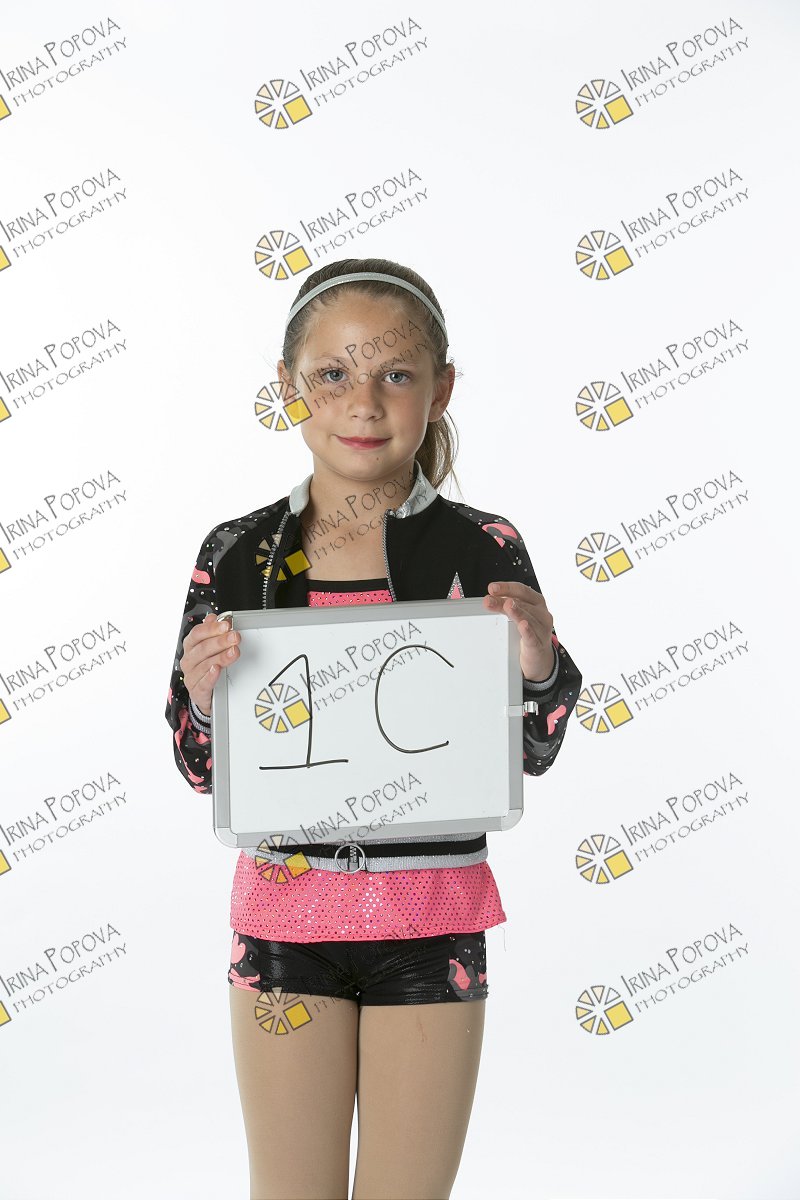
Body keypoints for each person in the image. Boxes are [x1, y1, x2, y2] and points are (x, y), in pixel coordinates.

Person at [164, 256, 583, 1200]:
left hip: (432, 921)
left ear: (441, 389)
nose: (363, 402)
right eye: (332, 374)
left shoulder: (482, 547)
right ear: (289, 388)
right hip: (284, 923)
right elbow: (199, 767)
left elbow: (534, 748)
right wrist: (202, 697)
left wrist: (536, 668)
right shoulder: (239, 553)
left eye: (395, 373)